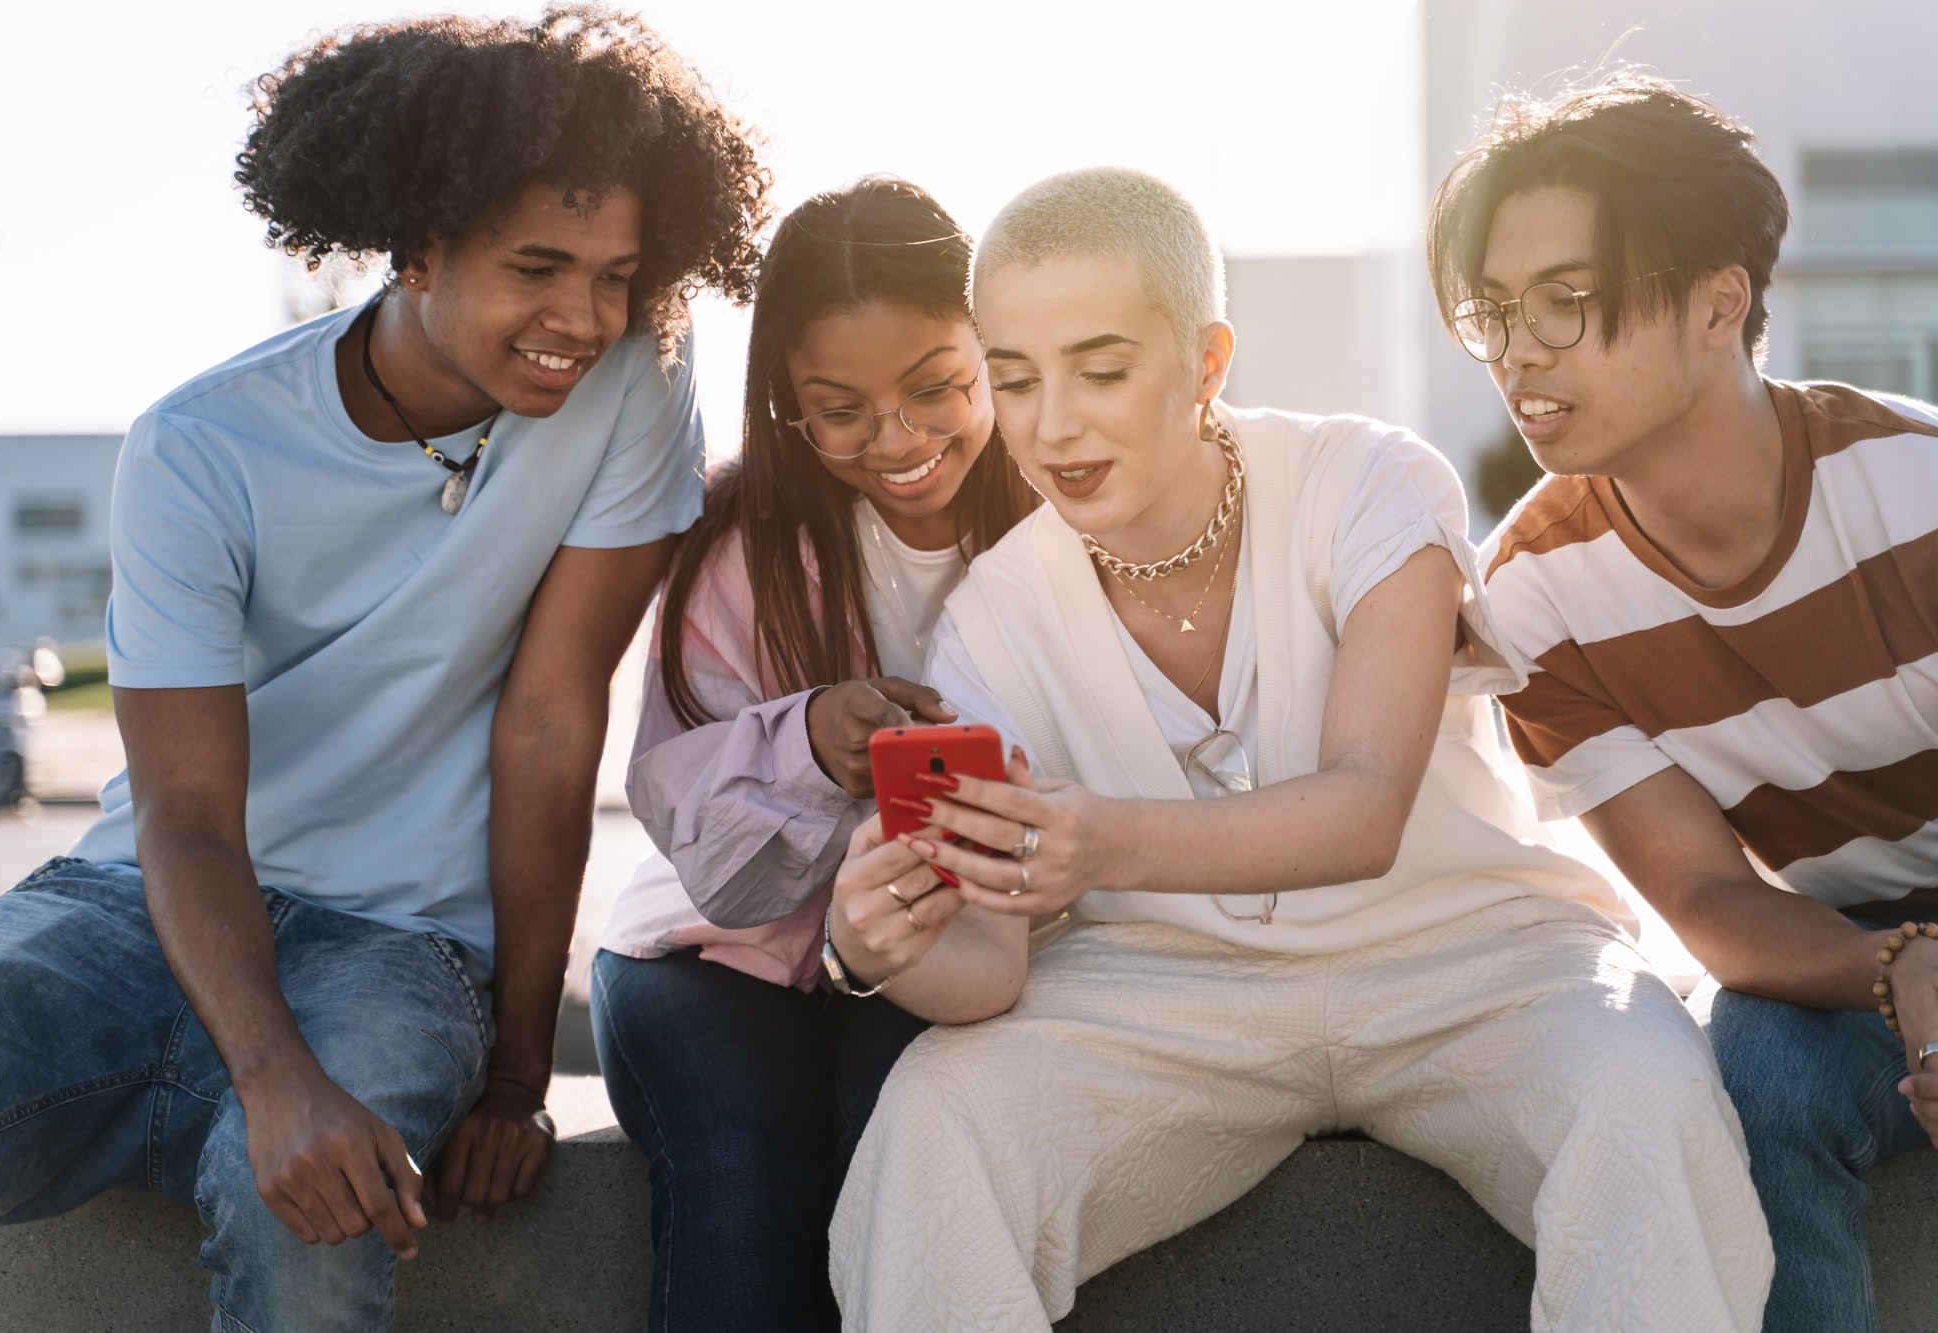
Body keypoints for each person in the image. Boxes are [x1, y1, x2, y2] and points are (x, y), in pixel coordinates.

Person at [826, 166, 1775, 1333]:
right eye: (1012, 379)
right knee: (934, 1120)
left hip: (1474, 957)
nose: (1050, 423)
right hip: (1167, 995)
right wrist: (875, 940)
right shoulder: (988, 617)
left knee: (1645, 1096)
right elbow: (992, 968)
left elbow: (1364, 807)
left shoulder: (1367, 482)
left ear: (1207, 362)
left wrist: (1098, 841)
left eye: (1101, 369)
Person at [0, 11, 768, 1330]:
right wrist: (270, 1074)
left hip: (404, 945)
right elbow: (188, 815)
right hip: (136, 908)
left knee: (321, 1218)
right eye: (539, 266)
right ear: (418, 246)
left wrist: (511, 1075)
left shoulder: (633, 379)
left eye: (616, 273)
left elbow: (554, 725)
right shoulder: (197, 452)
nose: (583, 317)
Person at [1436, 73, 1938, 1333]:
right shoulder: (1534, 598)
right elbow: (1705, 902)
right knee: (1751, 1058)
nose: (1518, 352)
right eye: (1494, 312)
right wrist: (1903, 969)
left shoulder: (1919, 496)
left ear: (1720, 302)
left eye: (1568, 301)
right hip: (1872, 981)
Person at [593, 178, 1035, 1333]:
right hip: (710, 962)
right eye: (835, 408)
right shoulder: (736, 551)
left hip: (937, 954)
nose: (895, 442)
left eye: (935, 387)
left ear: (990, 347)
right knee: (740, 1172)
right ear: (783, 401)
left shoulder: (1061, 522)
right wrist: (806, 744)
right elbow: (700, 843)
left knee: (909, 1153)